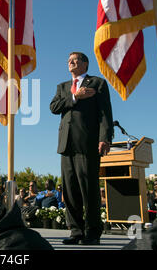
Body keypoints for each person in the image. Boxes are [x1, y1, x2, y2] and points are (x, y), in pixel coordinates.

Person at [50, 52, 113, 245]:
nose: (71, 62)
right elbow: (54, 107)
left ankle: (93, 232)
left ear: (85, 64)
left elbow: (105, 113)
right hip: (66, 144)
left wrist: (105, 137)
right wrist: (75, 97)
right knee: (70, 191)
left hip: (87, 143)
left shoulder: (97, 83)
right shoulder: (63, 87)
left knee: (89, 189)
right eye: (69, 60)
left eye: (75, 60)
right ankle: (75, 232)